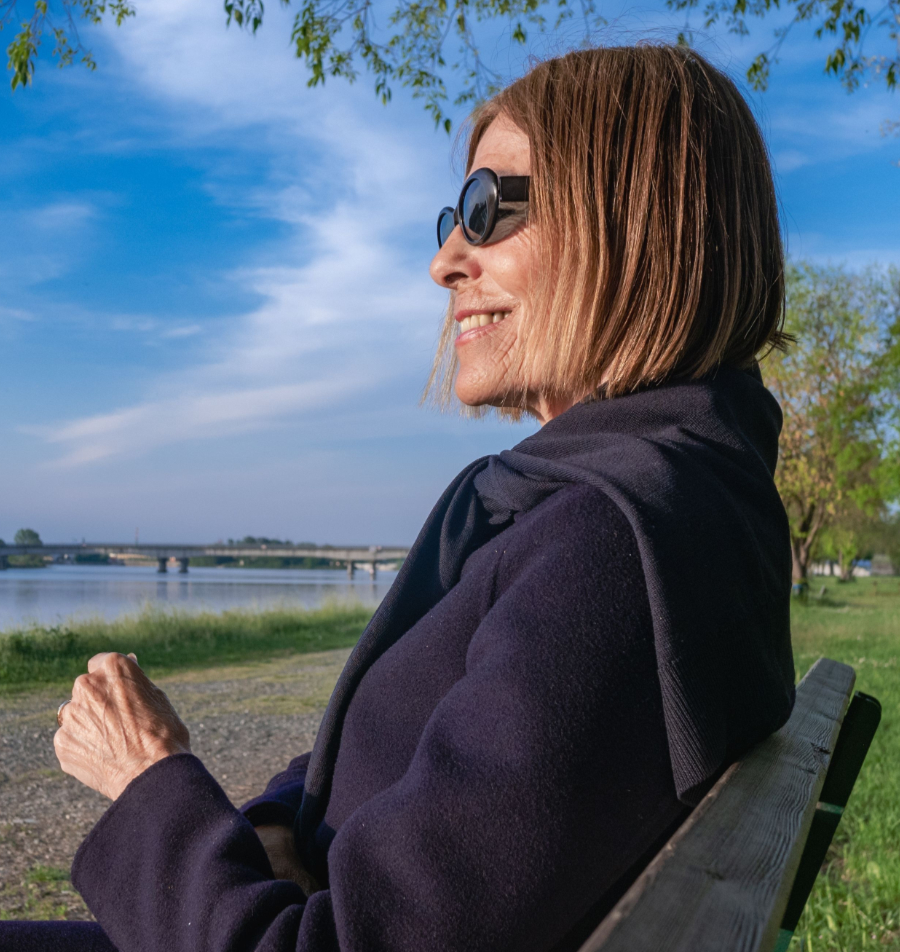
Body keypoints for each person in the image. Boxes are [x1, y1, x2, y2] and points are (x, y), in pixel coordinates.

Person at [1, 44, 795, 952]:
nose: (446, 260)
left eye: (488, 209)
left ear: (636, 223)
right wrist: (274, 825)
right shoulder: (647, 506)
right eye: (453, 219)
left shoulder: (607, 553)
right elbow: (410, 751)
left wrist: (148, 775)